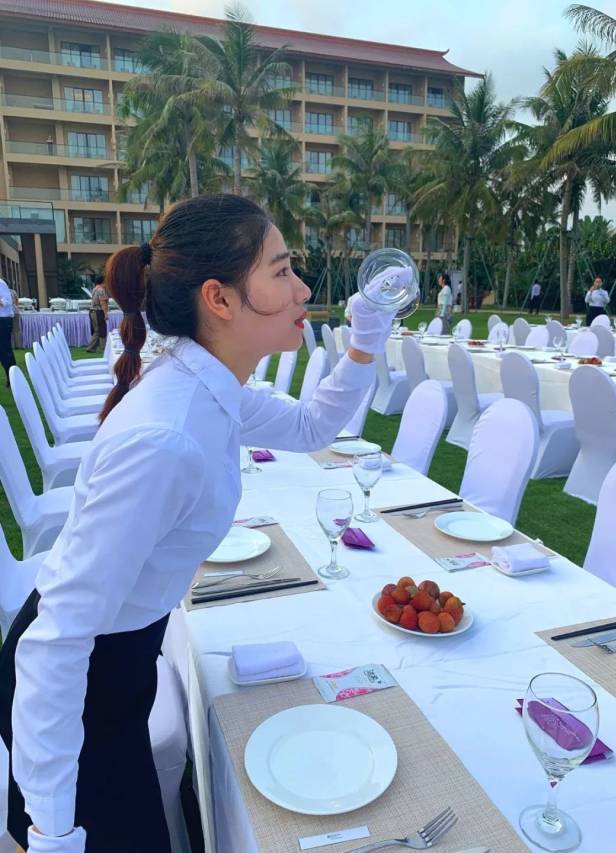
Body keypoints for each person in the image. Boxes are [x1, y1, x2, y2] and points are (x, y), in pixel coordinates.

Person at [0, 195, 393, 853]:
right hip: (81, 688)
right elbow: (58, 637)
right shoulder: (166, 436)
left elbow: (310, 427)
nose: (303, 289)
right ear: (219, 298)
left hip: (119, 664)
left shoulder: (209, 384)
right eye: (282, 271)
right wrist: (53, 828)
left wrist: (364, 343)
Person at [0, 274, 16, 386]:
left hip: (3, 320)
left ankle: (13, 378)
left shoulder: (1, 283)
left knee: (5, 351)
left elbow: (7, 301)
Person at [85, 274, 109, 352]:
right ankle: (101, 347)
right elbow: (103, 302)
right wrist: (106, 314)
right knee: (101, 329)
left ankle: (94, 347)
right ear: (103, 282)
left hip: (93, 311)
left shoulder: (95, 289)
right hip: (98, 312)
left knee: (97, 330)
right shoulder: (101, 290)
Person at [10, 285, 21, 349]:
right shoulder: (13, 291)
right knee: (16, 330)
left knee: (7, 330)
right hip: (15, 311)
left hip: (7, 313)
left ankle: (10, 345)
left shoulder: (3, 292)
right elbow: (17, 301)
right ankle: (18, 345)